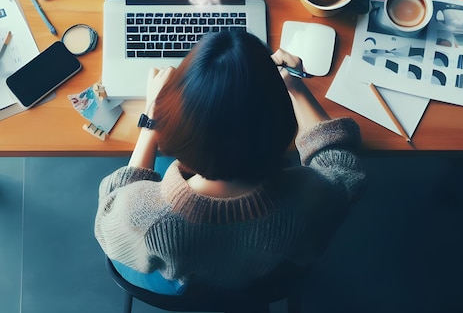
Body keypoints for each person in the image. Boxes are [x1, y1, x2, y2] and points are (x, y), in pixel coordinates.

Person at [95, 30, 365, 295]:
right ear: (281, 127)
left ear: (177, 128)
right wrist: (295, 88)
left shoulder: (144, 216)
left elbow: (110, 212)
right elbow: (342, 168)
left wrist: (152, 119)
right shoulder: (307, 200)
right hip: (266, 276)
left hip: (182, 283)